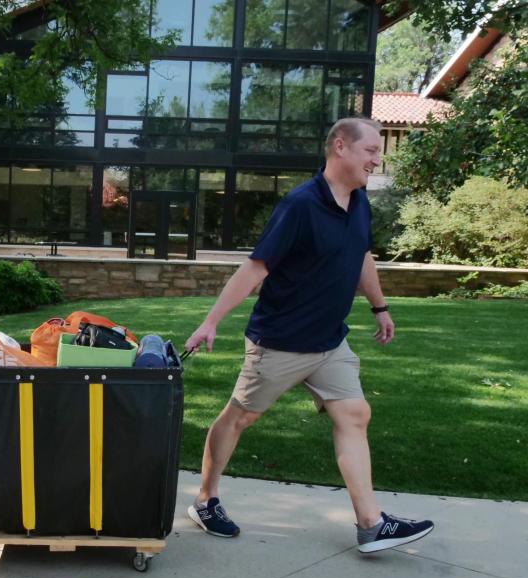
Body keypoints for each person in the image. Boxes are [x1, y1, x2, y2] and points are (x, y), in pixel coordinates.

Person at [184, 117, 434, 553]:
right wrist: (211, 321)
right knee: (240, 417)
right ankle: (205, 500)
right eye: (371, 150)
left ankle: (371, 524)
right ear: (341, 147)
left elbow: (362, 258)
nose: (377, 159)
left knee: (355, 415)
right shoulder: (300, 205)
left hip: (330, 342)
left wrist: (380, 306)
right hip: (280, 341)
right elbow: (256, 267)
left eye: (378, 152)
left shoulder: (359, 204)